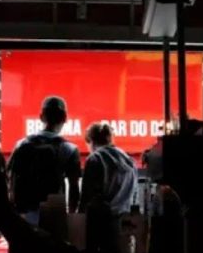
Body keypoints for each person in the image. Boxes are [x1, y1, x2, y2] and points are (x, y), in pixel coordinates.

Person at [7, 96, 81, 225]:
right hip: (54, 213)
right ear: (65, 118)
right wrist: (70, 216)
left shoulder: (21, 144)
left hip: (25, 213)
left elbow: (10, 178)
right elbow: (74, 189)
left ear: (41, 117)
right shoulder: (69, 149)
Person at [78, 122, 138, 214]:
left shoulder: (95, 158)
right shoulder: (128, 160)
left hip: (101, 217)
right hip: (124, 217)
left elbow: (86, 196)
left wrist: (79, 216)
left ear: (91, 141)